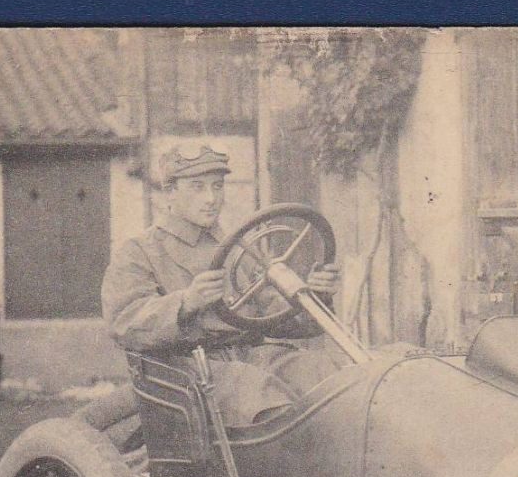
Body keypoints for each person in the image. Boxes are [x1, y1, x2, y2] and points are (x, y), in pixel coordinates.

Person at [101, 144, 343, 426]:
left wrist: (315, 297)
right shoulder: (139, 251)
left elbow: (275, 317)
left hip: (254, 357)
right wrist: (186, 302)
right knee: (260, 395)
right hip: (185, 371)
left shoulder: (241, 249)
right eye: (197, 187)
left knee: (326, 375)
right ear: (170, 192)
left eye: (217, 186)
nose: (211, 198)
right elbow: (124, 323)